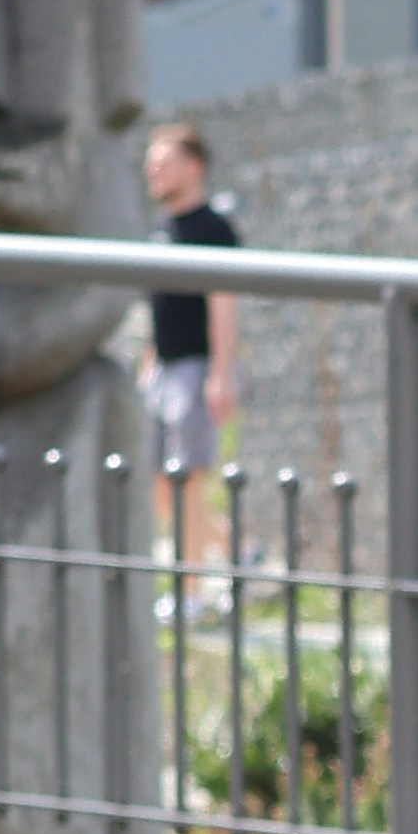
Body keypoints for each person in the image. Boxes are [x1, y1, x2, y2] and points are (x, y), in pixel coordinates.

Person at [138, 118, 241, 572]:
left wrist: (220, 373)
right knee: (160, 482)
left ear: (193, 166)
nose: (152, 173)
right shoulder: (161, 227)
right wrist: (148, 360)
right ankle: (238, 552)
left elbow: (224, 305)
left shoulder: (213, 228)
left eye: (162, 163)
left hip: (196, 368)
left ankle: (191, 591)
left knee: (187, 482)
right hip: (161, 368)